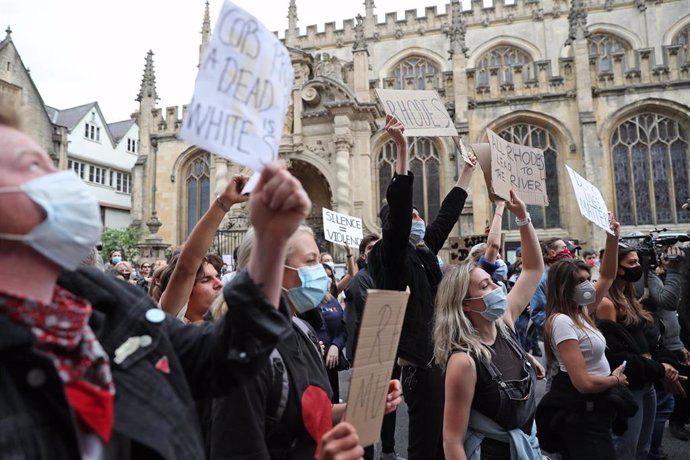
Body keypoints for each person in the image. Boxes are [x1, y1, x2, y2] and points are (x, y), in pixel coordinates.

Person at [0, 100, 298, 459]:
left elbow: (218, 355)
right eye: (31, 166)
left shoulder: (95, 298)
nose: (58, 179)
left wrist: (270, 240)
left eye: (50, 165)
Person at [209, 223, 402, 459]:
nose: (321, 271)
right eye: (311, 262)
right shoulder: (244, 354)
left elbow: (313, 412)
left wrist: (364, 406)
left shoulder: (303, 330)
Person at [368, 115, 476, 460]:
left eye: (418, 215)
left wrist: (467, 173)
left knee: (447, 437)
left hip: (441, 354)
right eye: (413, 216)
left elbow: (445, 218)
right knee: (424, 444)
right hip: (420, 362)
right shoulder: (393, 258)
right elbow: (398, 217)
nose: (419, 219)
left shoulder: (422, 251)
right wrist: (401, 149)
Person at [434, 190, 545, 460]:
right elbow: (452, 441)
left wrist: (522, 217)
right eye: (486, 285)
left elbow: (533, 270)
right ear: (466, 305)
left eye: (492, 281)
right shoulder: (464, 362)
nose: (497, 287)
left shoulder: (504, 323)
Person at [537, 216, 632, 460]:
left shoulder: (581, 312)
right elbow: (583, 383)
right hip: (583, 411)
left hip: (596, 408)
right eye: (580, 281)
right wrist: (614, 380)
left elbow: (608, 275)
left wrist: (612, 237)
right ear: (564, 286)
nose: (588, 285)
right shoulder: (562, 322)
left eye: (588, 279)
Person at [596, 244, 685, 460]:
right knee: (626, 450)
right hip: (629, 385)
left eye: (638, 261)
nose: (638, 267)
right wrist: (658, 368)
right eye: (632, 263)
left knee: (642, 450)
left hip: (646, 382)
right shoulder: (607, 303)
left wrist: (664, 362)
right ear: (616, 268)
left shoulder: (629, 295)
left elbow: (649, 337)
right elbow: (617, 354)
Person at [159, 175, 249, 323]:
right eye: (206, 280)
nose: (219, 283)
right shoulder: (173, 323)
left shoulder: (230, 325)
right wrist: (224, 203)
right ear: (185, 291)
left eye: (217, 276)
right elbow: (187, 267)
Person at [633, 246, 689, 457]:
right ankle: (651, 451)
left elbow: (667, 313)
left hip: (666, 345)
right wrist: (673, 271)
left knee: (663, 401)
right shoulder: (644, 276)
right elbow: (669, 301)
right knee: (661, 403)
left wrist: (676, 344)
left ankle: (651, 449)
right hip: (654, 349)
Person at [316, 270, 348, 404]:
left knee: (332, 403)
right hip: (315, 363)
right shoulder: (303, 302)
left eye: (329, 276)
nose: (327, 280)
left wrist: (336, 345)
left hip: (331, 363)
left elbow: (344, 328)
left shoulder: (332, 300)